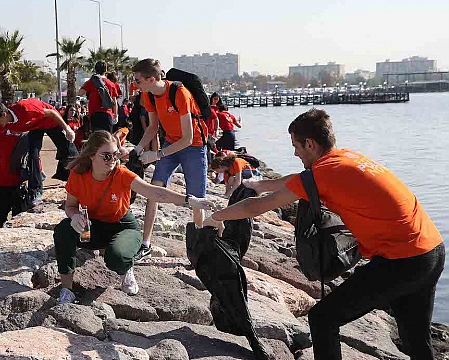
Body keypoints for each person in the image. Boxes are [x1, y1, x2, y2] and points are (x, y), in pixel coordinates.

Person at [204, 108, 444, 360]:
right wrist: (262, 185)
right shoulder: (345, 157)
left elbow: (258, 207)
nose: (295, 152)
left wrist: (216, 217)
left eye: (296, 146)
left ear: (310, 143)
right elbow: (301, 179)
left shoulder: (324, 173)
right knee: (416, 340)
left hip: (403, 259)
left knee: (322, 318)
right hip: (432, 249)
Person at [54, 131, 214, 304]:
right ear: (92, 156)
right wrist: (75, 216)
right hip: (92, 226)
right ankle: (67, 290)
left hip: (122, 225)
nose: (113, 160)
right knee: (63, 230)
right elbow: (70, 206)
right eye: (107, 156)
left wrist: (189, 201)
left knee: (117, 258)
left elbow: (154, 192)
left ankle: (126, 267)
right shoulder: (78, 175)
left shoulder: (121, 174)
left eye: (115, 155)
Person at [130, 58, 209, 260]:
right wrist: (138, 148)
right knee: (154, 190)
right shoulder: (148, 96)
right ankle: (146, 243)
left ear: (153, 78)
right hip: (171, 143)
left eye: (138, 81)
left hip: (194, 147)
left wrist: (156, 155)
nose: (135, 85)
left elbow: (188, 138)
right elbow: (153, 127)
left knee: (196, 199)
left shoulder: (179, 93)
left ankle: (199, 250)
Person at [0, 99, 78, 205]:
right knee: (32, 154)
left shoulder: (25, 109)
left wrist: (67, 129)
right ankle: (36, 191)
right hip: (36, 126)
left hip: (51, 121)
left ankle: (78, 181)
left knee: (70, 153)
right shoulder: (4, 123)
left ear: (3, 114)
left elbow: (52, 113)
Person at [0, 125, 23, 229]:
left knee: (19, 221)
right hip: (3, 184)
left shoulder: (28, 136)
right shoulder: (3, 136)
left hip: (21, 186)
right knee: (0, 219)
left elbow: (35, 161)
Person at [78, 61, 119, 133]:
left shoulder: (92, 82)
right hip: (107, 113)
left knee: (97, 138)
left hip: (94, 113)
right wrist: (115, 115)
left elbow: (80, 93)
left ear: (95, 69)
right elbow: (114, 101)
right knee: (107, 137)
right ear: (106, 71)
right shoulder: (111, 84)